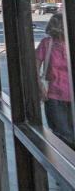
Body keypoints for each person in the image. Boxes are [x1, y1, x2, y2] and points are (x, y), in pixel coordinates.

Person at [36, 13, 74, 147]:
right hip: (53, 96)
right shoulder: (47, 44)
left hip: (72, 95)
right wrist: (40, 86)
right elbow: (35, 68)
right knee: (63, 135)